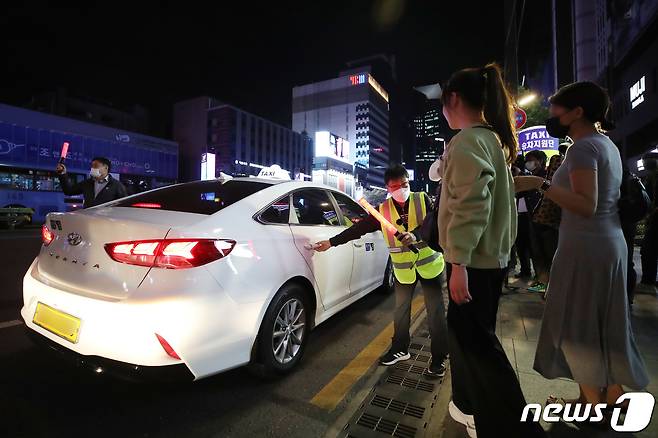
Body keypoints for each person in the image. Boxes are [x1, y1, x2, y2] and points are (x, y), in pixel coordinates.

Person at [516, 81, 649, 423]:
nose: (554, 114)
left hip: (586, 247)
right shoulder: (605, 145)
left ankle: (593, 407)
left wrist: (539, 184)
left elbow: (585, 205)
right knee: (607, 321)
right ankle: (609, 395)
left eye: (558, 108)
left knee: (578, 327)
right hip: (607, 243)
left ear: (577, 112)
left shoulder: (582, 149)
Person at [438, 62, 545, 438]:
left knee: (476, 341)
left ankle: (514, 426)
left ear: (454, 98)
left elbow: (470, 205)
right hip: (492, 258)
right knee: (466, 334)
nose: (442, 111)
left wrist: (458, 263)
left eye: (443, 102)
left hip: (475, 261)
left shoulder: (468, 140)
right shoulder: (491, 139)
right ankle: (469, 406)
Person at [313, 164, 449, 378]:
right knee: (401, 312)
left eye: (404, 184)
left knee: (436, 314)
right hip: (404, 271)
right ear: (387, 188)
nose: (401, 189)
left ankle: (439, 358)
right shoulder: (382, 211)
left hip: (430, 265)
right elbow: (357, 229)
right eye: (395, 186)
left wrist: (415, 235)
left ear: (408, 182)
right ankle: (400, 349)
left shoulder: (423, 199)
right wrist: (331, 242)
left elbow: (437, 224)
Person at [529, 150, 565, 299]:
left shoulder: (554, 183)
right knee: (540, 254)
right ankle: (543, 284)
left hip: (549, 224)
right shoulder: (545, 179)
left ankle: (551, 287)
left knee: (549, 256)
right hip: (539, 220)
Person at [515, 150, 547, 287]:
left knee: (535, 247)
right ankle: (525, 270)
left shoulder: (542, 177)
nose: (529, 163)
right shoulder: (528, 175)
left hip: (534, 216)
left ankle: (540, 276)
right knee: (521, 244)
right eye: (527, 160)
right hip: (521, 215)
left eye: (531, 160)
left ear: (540, 161)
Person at [55, 157, 127, 208]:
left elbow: (124, 205)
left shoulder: (117, 185)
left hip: (105, 222)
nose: (93, 169)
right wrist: (63, 174)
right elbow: (69, 191)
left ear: (106, 168)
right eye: (92, 166)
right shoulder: (87, 183)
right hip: (88, 220)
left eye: (95, 166)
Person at [638, 155, 658, 294]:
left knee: (648, 250)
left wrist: (651, 214)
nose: (644, 164)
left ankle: (648, 282)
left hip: (656, 218)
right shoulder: (651, 176)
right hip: (654, 218)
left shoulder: (654, 176)